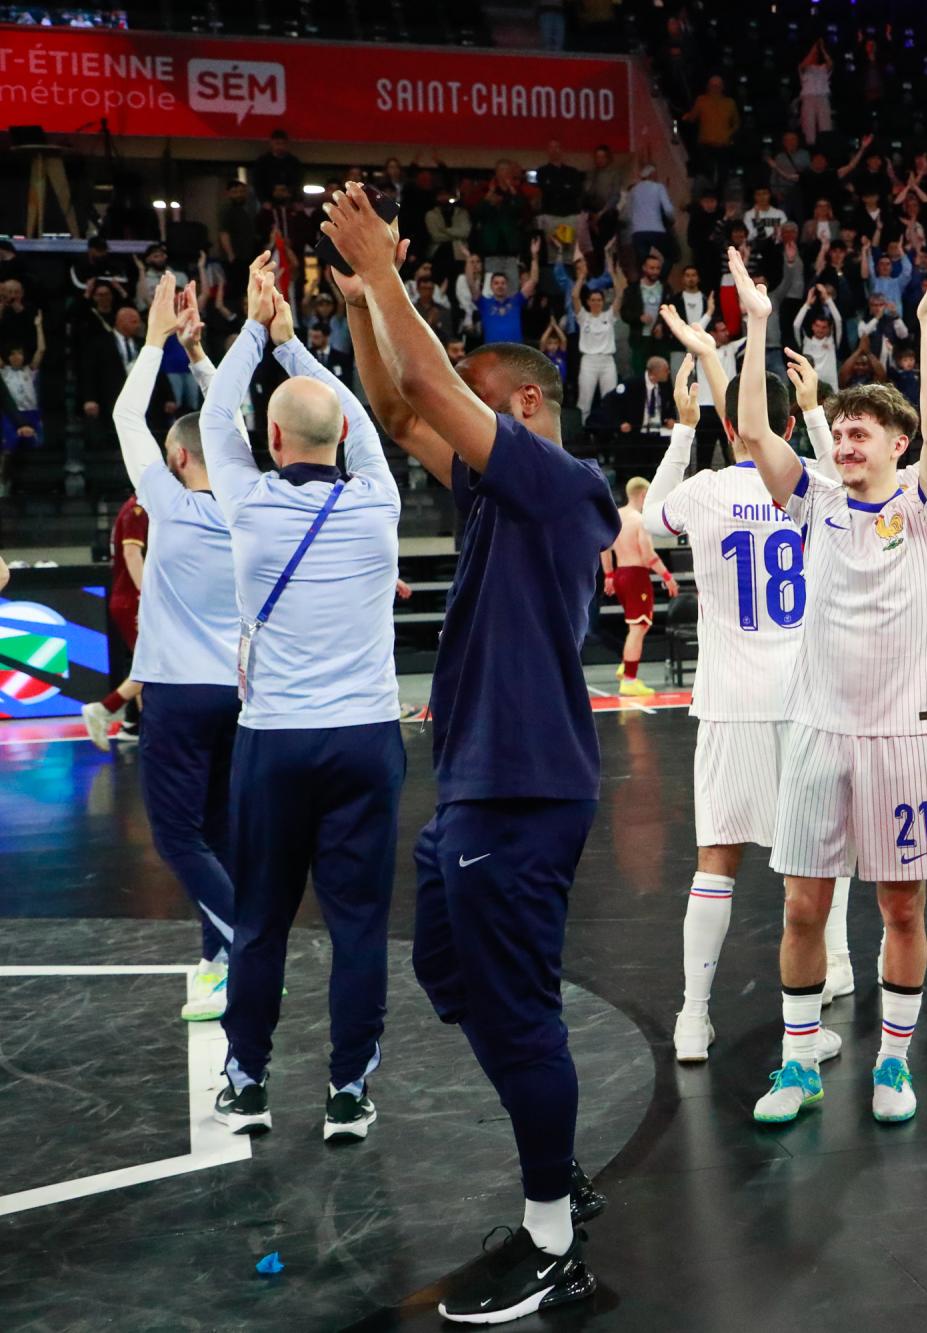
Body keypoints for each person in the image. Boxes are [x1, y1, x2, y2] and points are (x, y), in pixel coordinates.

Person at [322, 181, 617, 1323]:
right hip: (476, 793)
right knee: (459, 980)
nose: (452, 431)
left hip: (523, 792)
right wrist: (359, 303)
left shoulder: (561, 485)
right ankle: (551, 1160)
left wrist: (393, 276)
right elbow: (401, 413)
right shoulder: (498, 494)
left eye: (478, 414)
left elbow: (434, 391)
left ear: (527, 407)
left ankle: (552, 1232)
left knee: (518, 1010)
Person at [731, 248, 927, 1128]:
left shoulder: (921, 507)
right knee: (801, 901)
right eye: (841, 429)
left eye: (863, 430)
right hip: (819, 731)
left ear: (896, 445)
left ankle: (895, 1065)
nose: (845, 438)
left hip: (904, 735)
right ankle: (799, 1063)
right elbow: (757, 432)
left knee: (902, 904)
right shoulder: (815, 498)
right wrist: (756, 325)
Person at [201, 253, 406, 1148]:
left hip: (275, 743)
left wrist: (254, 331)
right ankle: (349, 1093)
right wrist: (297, 350)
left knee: (261, 921)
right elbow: (357, 418)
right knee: (359, 926)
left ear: (271, 443)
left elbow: (216, 414)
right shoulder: (379, 504)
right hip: (363, 739)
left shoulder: (244, 502)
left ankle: (247, 1082)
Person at [643, 324, 856, 1062]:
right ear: (787, 423)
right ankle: (836, 967)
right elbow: (849, 480)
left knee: (717, 860)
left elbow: (646, 520)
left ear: (729, 424)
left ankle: (693, 1016)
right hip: (808, 695)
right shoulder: (814, 489)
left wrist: (682, 427)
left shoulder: (702, 491)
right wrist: (820, 412)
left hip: (730, 697)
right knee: (820, 854)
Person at [111, 275, 240, 1022]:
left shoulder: (165, 498)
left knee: (178, 836)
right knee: (219, 832)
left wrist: (156, 340)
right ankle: (218, 960)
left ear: (175, 455)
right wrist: (198, 356)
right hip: (238, 693)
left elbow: (128, 411)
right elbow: (241, 429)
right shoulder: (253, 500)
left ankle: (247, 949)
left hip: (179, 693)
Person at [600, 476, 678, 696]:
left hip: (620, 575)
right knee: (639, 627)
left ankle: (627, 664)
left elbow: (603, 548)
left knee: (635, 625)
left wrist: (608, 575)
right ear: (644, 494)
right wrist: (667, 576)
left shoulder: (616, 517)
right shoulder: (639, 520)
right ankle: (630, 679)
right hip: (635, 575)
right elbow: (648, 553)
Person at [84, 490, 147, 748]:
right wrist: (148, 597)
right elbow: (132, 554)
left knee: (147, 665)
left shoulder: (133, 506)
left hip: (129, 598)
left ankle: (140, 726)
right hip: (134, 599)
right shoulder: (138, 509)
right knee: (154, 666)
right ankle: (103, 709)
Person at [571, 257, 625, 418]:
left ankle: (610, 432)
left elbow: (620, 295)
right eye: (593, 300)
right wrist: (581, 277)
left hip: (607, 361)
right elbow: (574, 297)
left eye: (599, 300)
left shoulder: (609, 315)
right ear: (588, 302)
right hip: (588, 361)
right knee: (584, 401)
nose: (596, 303)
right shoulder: (583, 317)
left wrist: (613, 273)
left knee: (610, 399)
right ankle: (582, 435)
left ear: (603, 301)